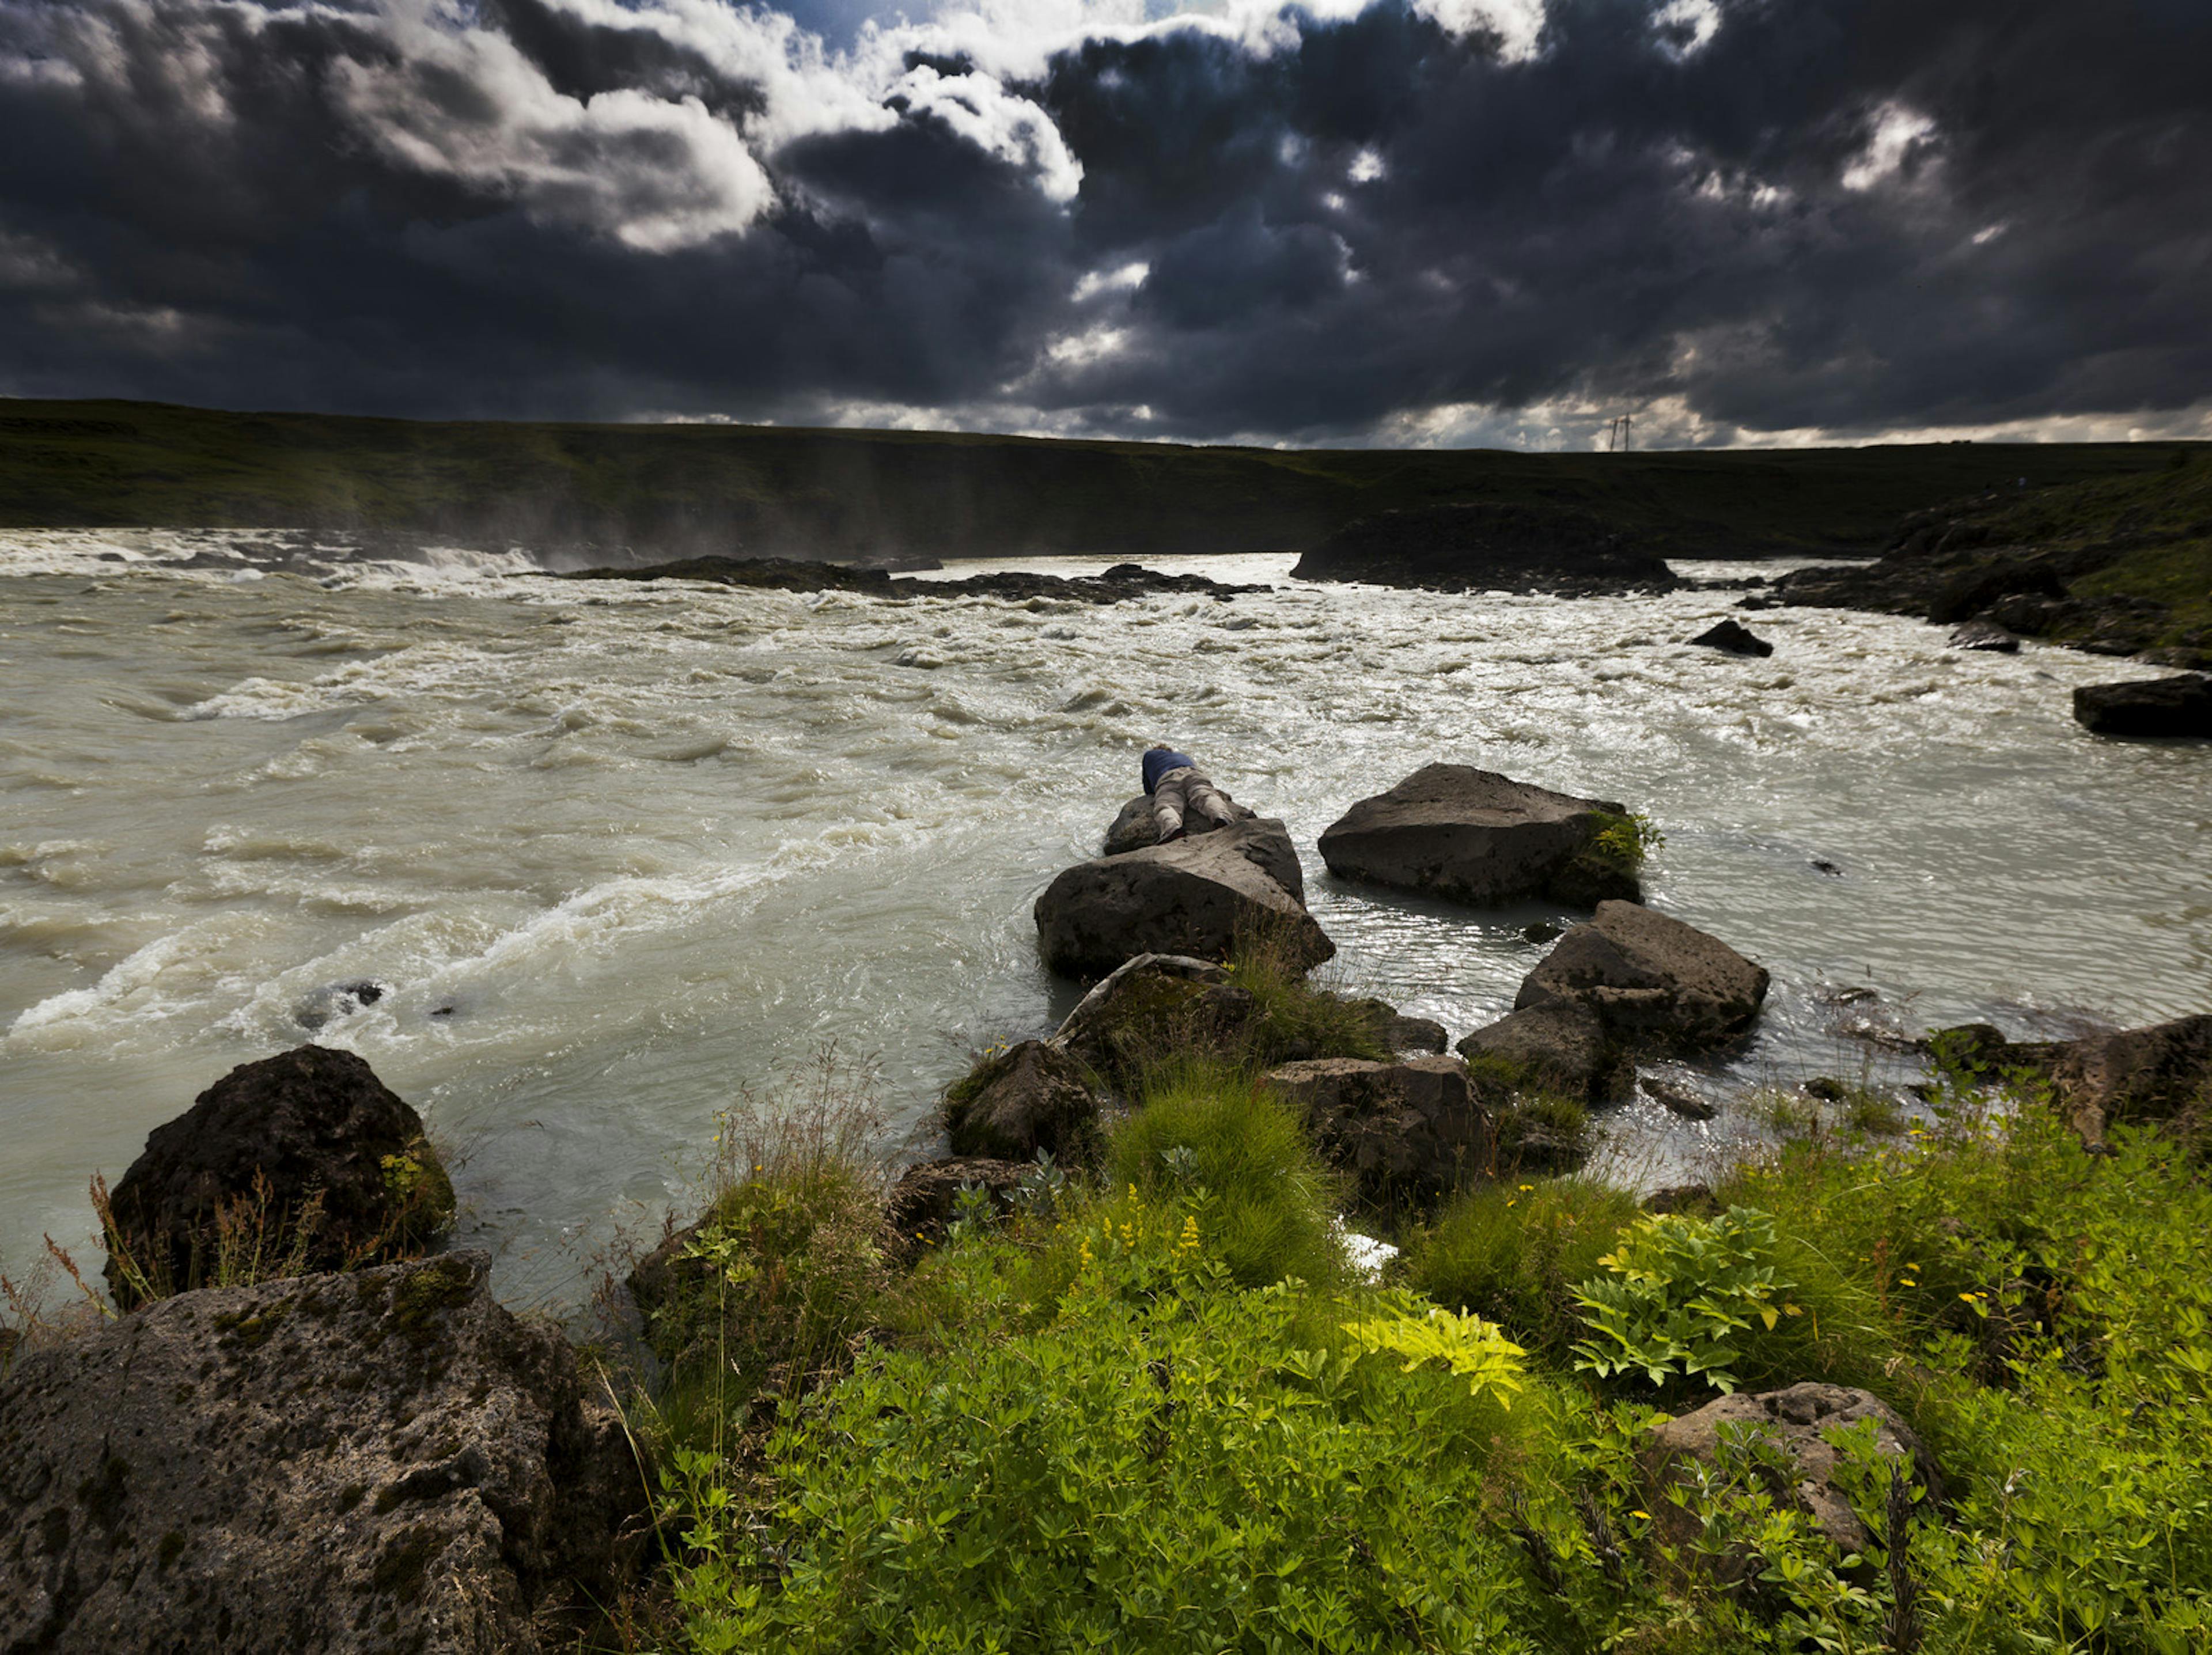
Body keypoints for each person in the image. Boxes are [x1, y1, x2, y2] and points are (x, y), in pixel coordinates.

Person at [1143, 744, 1238, 843]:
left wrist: (1154, 794)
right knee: (1206, 797)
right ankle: (1222, 816)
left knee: (1167, 806)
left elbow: (1147, 785)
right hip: (1194, 774)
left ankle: (1172, 828)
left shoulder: (1149, 755)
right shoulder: (1182, 756)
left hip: (1168, 778)